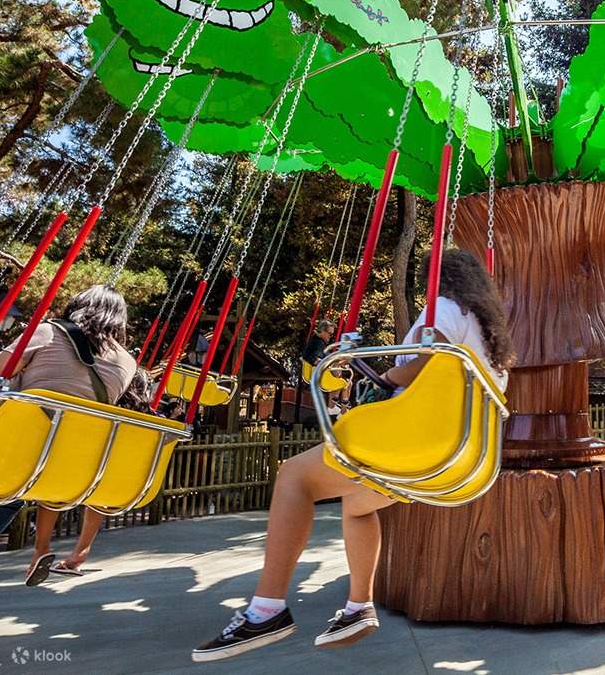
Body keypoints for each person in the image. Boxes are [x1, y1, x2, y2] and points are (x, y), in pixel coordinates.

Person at [193, 250, 515, 662]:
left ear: (440, 280)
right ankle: (358, 606)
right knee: (358, 506)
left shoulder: (446, 309)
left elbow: (426, 362)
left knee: (294, 476)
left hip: (412, 439)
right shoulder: (490, 340)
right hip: (457, 454)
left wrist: (383, 377)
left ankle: (266, 609)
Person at [0, 285, 136, 586]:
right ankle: (41, 549)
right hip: (70, 465)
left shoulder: (49, 332)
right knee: (20, 488)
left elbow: (3, 366)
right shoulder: (128, 363)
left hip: (16, 450)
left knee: (10, 485)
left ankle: (42, 548)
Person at [49, 368, 156, 578]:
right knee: (97, 497)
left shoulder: (105, 412)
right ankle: (81, 549)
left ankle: (46, 548)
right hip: (118, 477)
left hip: (92, 467)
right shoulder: (144, 421)